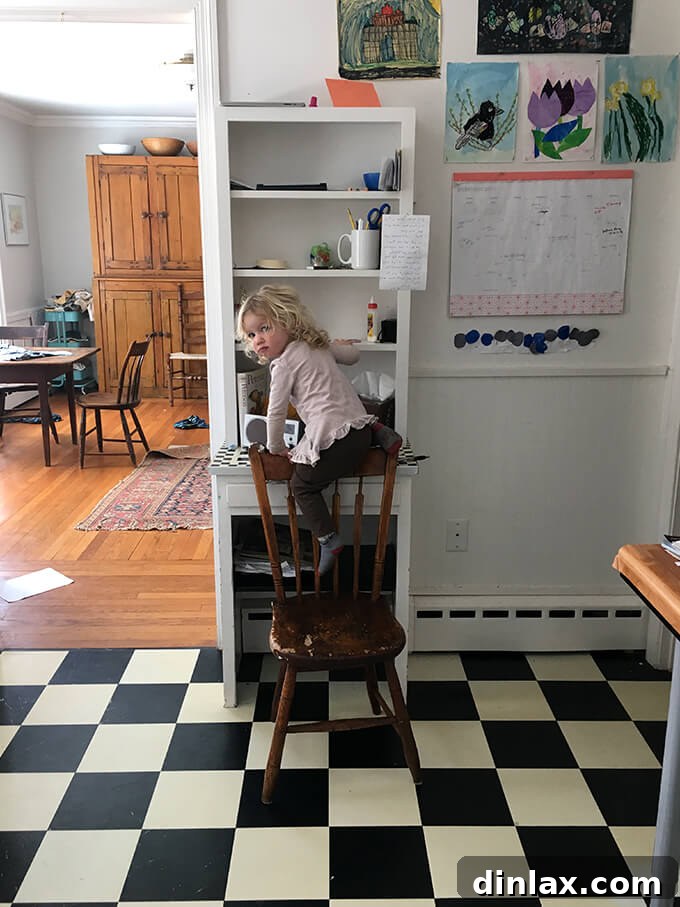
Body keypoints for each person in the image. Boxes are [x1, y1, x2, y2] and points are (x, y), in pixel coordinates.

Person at [237, 284, 402, 575]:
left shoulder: (283, 365)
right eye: (251, 335)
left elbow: (274, 413)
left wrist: (276, 448)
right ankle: (380, 431)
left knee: (302, 485)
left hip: (335, 439)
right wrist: (343, 344)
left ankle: (329, 539)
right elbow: (353, 357)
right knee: (350, 412)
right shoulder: (316, 345)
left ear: (287, 321)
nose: (258, 339)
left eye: (264, 328)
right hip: (360, 430)